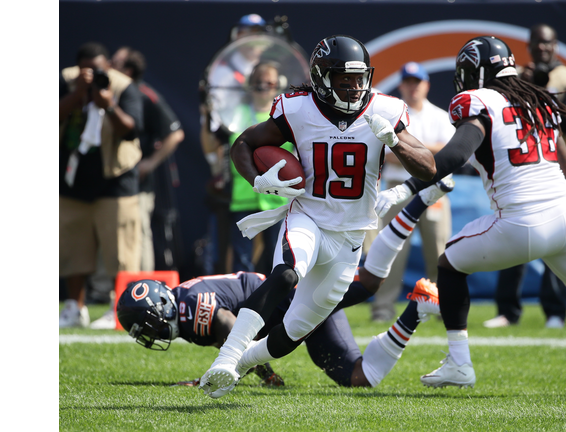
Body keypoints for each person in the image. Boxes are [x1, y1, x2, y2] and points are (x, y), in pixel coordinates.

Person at [378, 35, 566, 395]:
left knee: (448, 265)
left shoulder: (477, 101)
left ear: (478, 70)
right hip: (565, 217)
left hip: (520, 219)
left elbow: (457, 154)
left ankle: (459, 363)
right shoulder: (538, 100)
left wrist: (405, 188)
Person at [197, 34, 436, 398]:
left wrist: (395, 141)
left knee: (293, 332)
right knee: (287, 273)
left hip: (350, 237)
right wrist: (258, 180)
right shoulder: (298, 108)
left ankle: (241, 364)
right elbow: (244, 144)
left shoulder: (385, 110)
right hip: (309, 215)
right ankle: (225, 358)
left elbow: (429, 168)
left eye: (360, 77)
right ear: (323, 77)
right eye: (346, 78)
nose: (356, 86)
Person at [117, 179, 453, 394]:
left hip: (290, 300)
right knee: (361, 371)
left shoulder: (189, 306)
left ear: (161, 306)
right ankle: (418, 305)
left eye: (145, 324)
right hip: (284, 308)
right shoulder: (185, 299)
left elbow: (227, 325)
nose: (148, 333)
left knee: (367, 286)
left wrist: (250, 368)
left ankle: (419, 200)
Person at [485, 24, 566, 330]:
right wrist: (521, 84)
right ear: (529, 45)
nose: (543, 48)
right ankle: (508, 310)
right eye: (538, 43)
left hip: (557, 168)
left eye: (548, 43)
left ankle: (555, 312)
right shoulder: (516, 74)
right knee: (510, 231)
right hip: (518, 166)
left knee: (557, 240)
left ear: (555, 45)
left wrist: (538, 95)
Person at [88, 46, 187, 330]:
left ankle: (140, 301)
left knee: (137, 240)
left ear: (127, 70)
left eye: (114, 63)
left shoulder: (143, 94)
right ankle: (117, 297)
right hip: (110, 183)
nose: (105, 67)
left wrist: (149, 163)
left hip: (136, 185)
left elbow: (175, 132)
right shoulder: (107, 93)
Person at [59, 42, 143, 328]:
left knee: (121, 251)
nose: (93, 74)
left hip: (115, 180)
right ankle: (74, 308)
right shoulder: (65, 81)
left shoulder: (123, 86)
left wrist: (109, 104)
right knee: (72, 248)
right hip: (72, 180)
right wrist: (77, 94)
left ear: (107, 66)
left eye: (98, 69)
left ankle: (118, 307)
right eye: (87, 70)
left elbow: (132, 130)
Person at [369, 61, 455, 322]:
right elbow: (386, 154)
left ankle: (442, 306)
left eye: (416, 82)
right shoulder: (393, 114)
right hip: (396, 189)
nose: (412, 87)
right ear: (401, 85)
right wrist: (424, 153)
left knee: (439, 251)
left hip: (434, 189)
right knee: (391, 250)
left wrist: (406, 150)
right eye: (408, 82)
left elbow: (449, 153)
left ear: (426, 85)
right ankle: (383, 308)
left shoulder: (439, 116)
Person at [204, 61, 293, 276]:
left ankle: (277, 305)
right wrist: (208, 115)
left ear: (278, 85)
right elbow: (209, 146)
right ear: (250, 85)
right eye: (259, 83)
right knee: (241, 258)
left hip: (277, 196)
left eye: (269, 83)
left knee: (277, 257)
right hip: (244, 193)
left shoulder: (286, 113)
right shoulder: (234, 114)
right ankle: (241, 301)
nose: (264, 87)